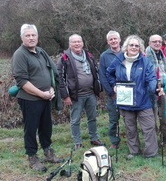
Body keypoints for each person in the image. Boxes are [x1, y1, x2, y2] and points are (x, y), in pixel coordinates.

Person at [11, 24, 63, 172]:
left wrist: (51, 88)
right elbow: (22, 81)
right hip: (30, 99)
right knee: (31, 129)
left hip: (46, 97)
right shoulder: (20, 54)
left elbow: (51, 72)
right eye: (27, 35)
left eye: (33, 35)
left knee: (46, 128)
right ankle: (32, 158)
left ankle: (48, 153)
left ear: (37, 36)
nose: (31, 38)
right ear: (22, 38)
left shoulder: (40, 52)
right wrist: (41, 94)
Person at [106, 35, 164, 160]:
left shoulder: (145, 61)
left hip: (143, 100)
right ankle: (134, 151)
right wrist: (114, 85)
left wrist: (156, 88)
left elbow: (151, 78)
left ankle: (151, 153)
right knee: (130, 128)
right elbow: (109, 73)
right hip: (125, 100)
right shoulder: (118, 60)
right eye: (131, 45)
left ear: (140, 48)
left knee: (149, 128)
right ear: (126, 46)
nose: (134, 47)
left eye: (136, 45)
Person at [57, 34, 102, 150]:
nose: (77, 44)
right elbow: (60, 79)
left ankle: (94, 138)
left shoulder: (89, 56)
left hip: (91, 93)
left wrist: (98, 89)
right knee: (75, 120)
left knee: (92, 118)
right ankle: (77, 141)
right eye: (74, 42)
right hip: (75, 96)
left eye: (79, 42)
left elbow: (96, 73)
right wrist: (65, 96)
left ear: (82, 43)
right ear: (69, 44)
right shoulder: (64, 59)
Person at [145, 34, 166, 146]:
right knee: (153, 116)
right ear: (149, 43)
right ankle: (154, 140)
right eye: (154, 41)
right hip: (150, 91)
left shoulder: (163, 56)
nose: (157, 43)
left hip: (164, 89)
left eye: (159, 42)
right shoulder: (144, 57)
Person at [99, 30, 122, 149]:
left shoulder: (127, 52)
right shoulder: (104, 56)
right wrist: (111, 92)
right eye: (111, 39)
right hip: (112, 94)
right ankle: (114, 141)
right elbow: (102, 76)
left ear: (119, 40)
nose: (113, 41)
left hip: (128, 92)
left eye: (115, 39)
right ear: (108, 42)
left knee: (129, 119)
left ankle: (133, 141)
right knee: (113, 119)